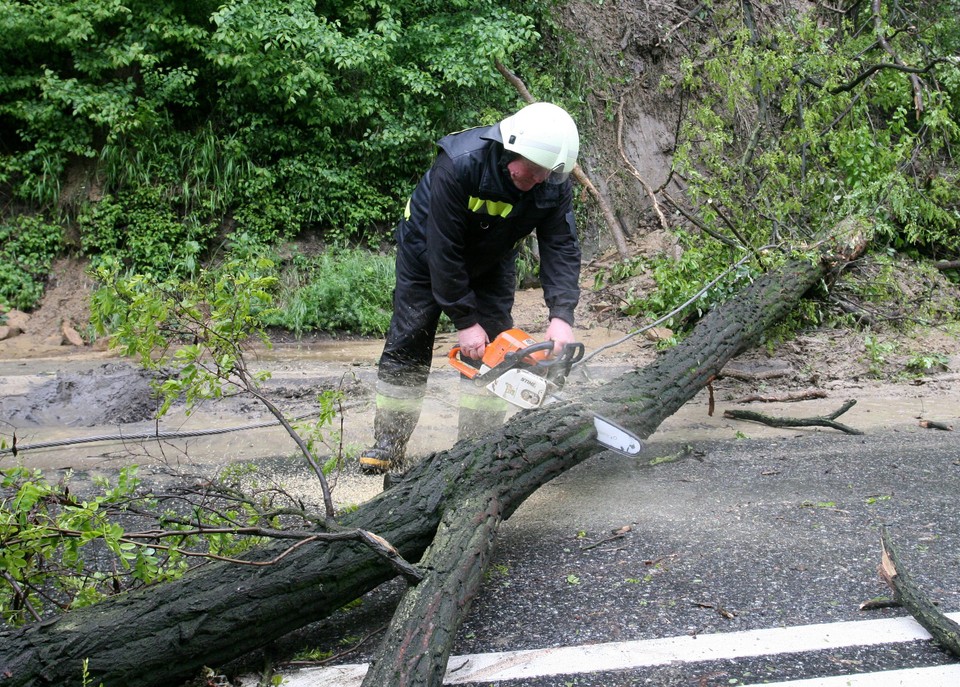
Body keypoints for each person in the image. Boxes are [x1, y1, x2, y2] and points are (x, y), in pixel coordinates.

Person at [359, 101, 582, 474]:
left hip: (493, 257)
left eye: (547, 173)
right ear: (512, 148)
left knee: (495, 345)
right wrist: (464, 319)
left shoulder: (552, 182)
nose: (539, 180)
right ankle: (389, 443)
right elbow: (443, 248)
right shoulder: (460, 163)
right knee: (410, 337)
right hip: (426, 251)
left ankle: (476, 447)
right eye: (532, 172)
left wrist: (561, 316)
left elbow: (560, 245)